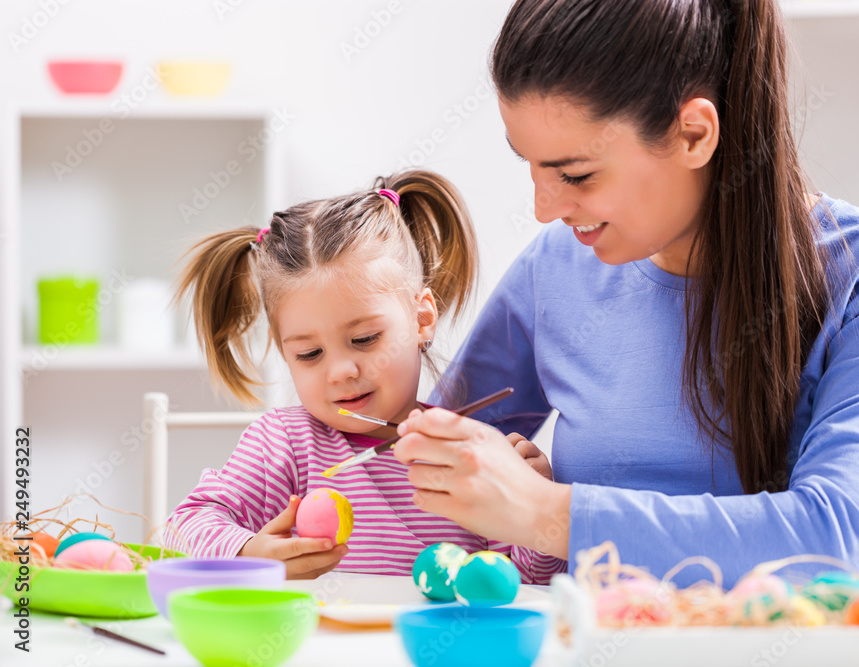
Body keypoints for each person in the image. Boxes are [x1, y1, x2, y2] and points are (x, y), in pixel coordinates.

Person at [392, 0, 859, 588]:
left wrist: (543, 511)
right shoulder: (556, 266)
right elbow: (419, 457)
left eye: (576, 174)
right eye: (530, 165)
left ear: (693, 135)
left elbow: (834, 541)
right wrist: (300, 517)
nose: (544, 209)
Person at [164, 169, 564, 582]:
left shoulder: (470, 453)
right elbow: (181, 529)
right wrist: (248, 552)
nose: (340, 371)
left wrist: (535, 506)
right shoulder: (283, 443)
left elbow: (524, 584)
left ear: (421, 317)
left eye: (365, 339)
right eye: (309, 353)